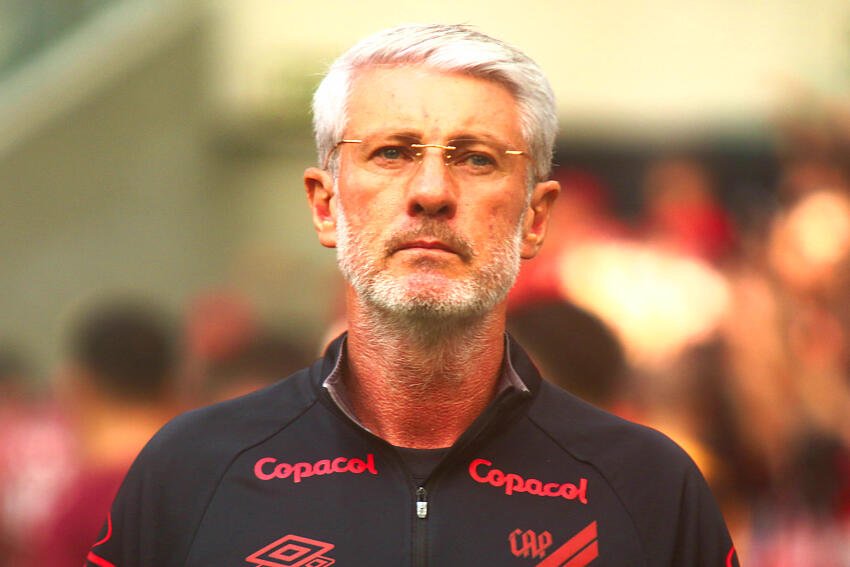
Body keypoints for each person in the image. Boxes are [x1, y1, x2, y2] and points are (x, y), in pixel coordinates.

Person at [87, 24, 738, 566]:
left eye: (476, 158)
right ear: (324, 205)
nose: (431, 191)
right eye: (392, 153)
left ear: (535, 218)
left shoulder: (649, 486)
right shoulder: (192, 469)